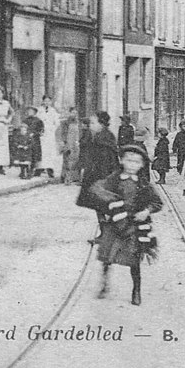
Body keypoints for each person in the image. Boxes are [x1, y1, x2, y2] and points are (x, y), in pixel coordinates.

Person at [87, 143, 162, 306]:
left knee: (134, 262)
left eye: (136, 162)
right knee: (107, 257)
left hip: (134, 227)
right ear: (121, 161)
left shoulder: (143, 184)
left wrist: (146, 211)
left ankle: (136, 291)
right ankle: (104, 283)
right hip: (115, 225)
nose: (132, 165)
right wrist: (108, 204)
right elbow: (97, 191)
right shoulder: (113, 179)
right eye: (129, 160)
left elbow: (157, 202)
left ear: (142, 165)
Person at [76, 112, 120, 240]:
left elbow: (108, 162)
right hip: (95, 175)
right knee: (98, 205)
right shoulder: (96, 136)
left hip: (102, 177)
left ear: (102, 124)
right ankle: (104, 233)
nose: (90, 125)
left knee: (104, 205)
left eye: (93, 123)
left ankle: (109, 234)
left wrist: (101, 181)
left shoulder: (105, 138)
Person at [35, 96, 62, 178]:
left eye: (48, 101)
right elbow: (37, 121)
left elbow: (57, 123)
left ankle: (50, 169)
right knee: (41, 151)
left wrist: (52, 129)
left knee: (49, 151)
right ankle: (39, 169)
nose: (47, 103)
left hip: (50, 133)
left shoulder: (53, 111)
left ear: (51, 102)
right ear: (43, 101)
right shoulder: (39, 110)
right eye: (45, 101)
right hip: (41, 133)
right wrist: (39, 129)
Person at [60, 107, 81, 184]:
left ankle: (74, 177)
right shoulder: (65, 122)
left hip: (75, 143)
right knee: (67, 160)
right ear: (69, 113)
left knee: (75, 159)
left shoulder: (78, 122)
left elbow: (79, 133)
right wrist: (64, 142)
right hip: (68, 142)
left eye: (75, 113)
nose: (74, 115)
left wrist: (78, 141)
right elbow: (63, 133)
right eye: (72, 113)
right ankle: (65, 177)